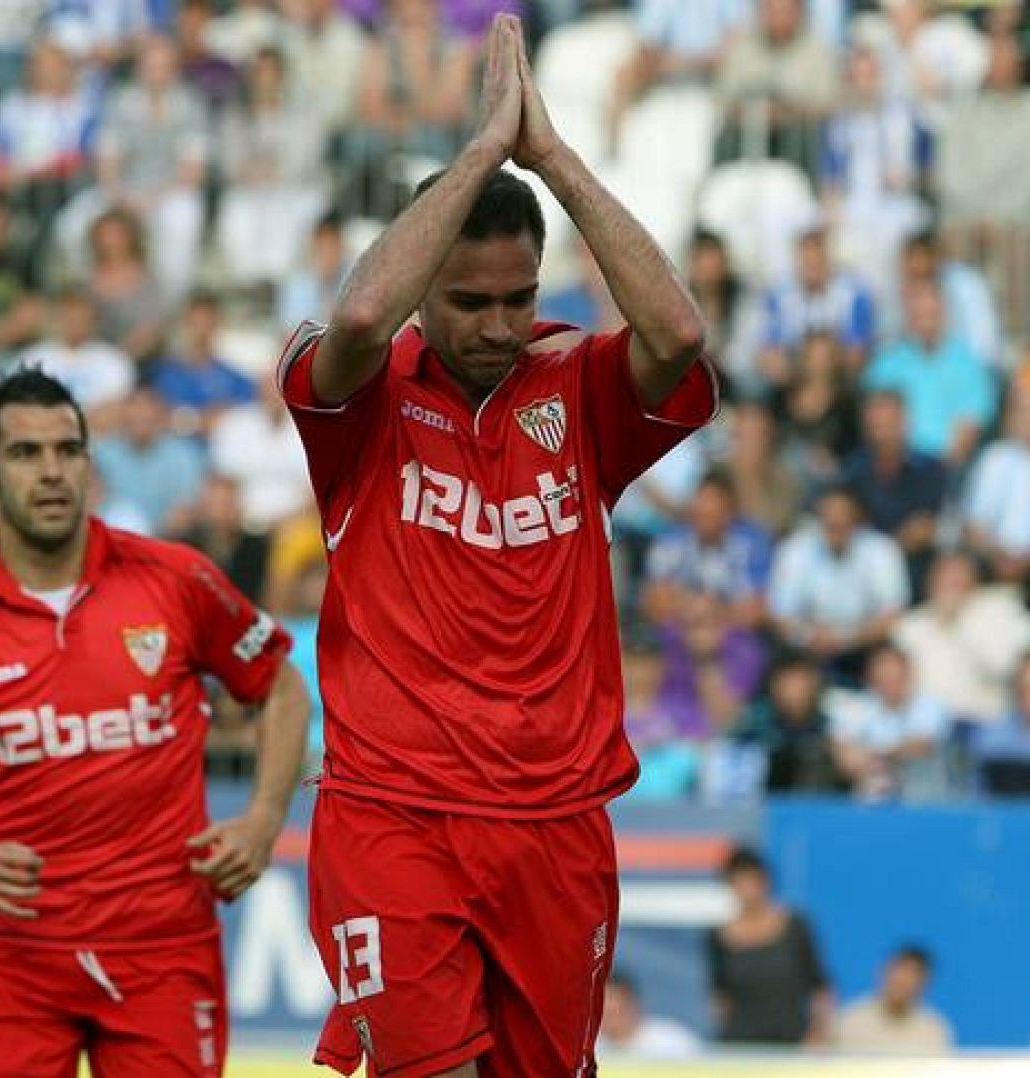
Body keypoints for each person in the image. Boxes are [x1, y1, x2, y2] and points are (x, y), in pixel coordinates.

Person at [283, 16, 715, 1078]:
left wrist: (553, 158)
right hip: (394, 809)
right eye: (467, 301)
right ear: (427, 291)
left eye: (518, 298)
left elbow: (680, 338)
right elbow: (355, 323)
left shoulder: (579, 386)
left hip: (556, 822)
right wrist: (479, 149)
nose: (494, 324)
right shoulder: (360, 402)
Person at [0, 369, 312, 1078]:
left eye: (67, 450)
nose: (51, 472)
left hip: (161, 950)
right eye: (25, 453)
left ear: (88, 463)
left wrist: (261, 818)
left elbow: (283, 687)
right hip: (12, 958)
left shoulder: (175, 580)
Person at [708, 846, 833, 1046]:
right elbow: (720, 996)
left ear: (766, 881)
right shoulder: (717, 936)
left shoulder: (796, 927)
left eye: (753, 880)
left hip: (793, 1042)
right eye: (740, 881)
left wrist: (818, 1033)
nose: (748, 890)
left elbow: (820, 987)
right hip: (740, 1045)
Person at [833, 944, 954, 1052]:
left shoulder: (933, 1030)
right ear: (883, 972)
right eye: (899, 970)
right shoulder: (850, 1021)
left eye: (913, 974)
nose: (903, 980)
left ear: (925, 983)